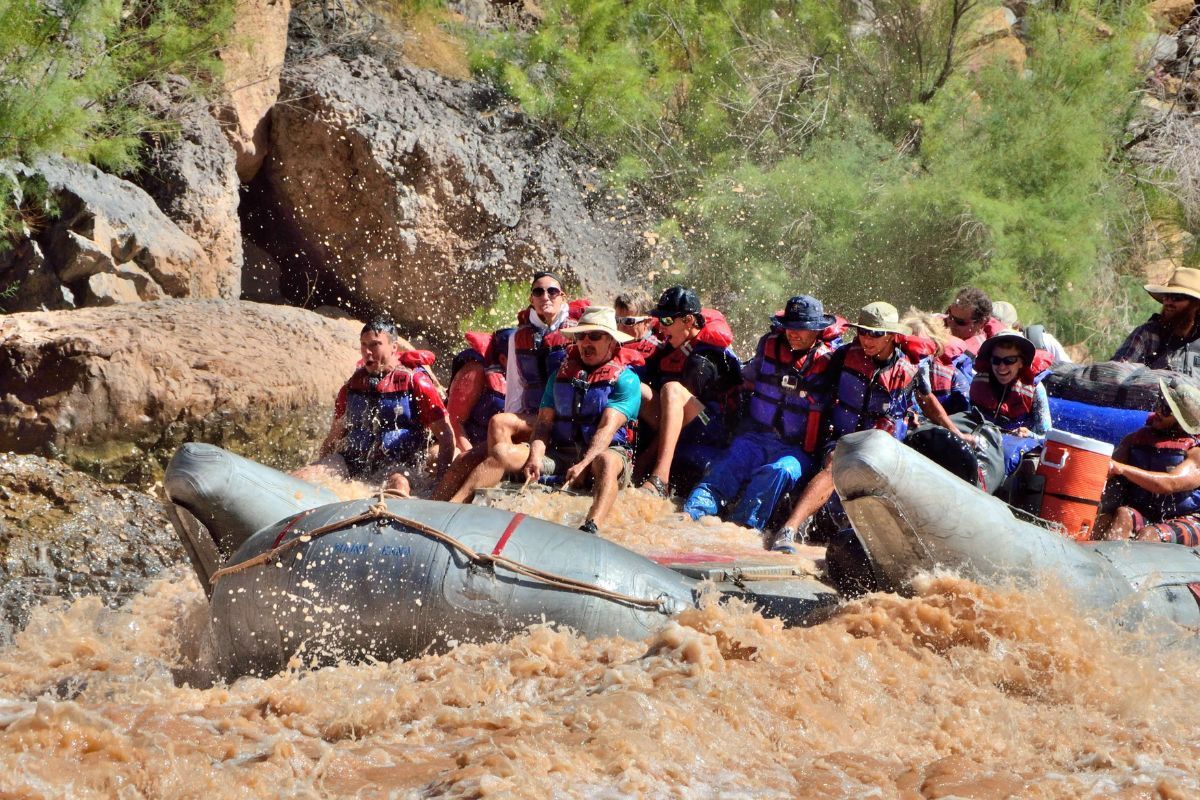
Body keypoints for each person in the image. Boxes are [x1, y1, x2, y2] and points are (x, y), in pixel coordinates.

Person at [448, 307, 642, 534]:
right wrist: (536, 456)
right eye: (581, 336)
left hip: (606, 452)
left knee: (605, 462)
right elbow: (543, 424)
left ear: (611, 342)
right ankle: (453, 508)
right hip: (561, 452)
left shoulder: (626, 381)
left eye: (595, 336)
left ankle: (591, 526)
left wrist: (583, 464)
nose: (586, 342)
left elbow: (606, 430)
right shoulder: (559, 375)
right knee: (501, 453)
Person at [766, 302, 925, 551]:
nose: (867, 339)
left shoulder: (909, 372)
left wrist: (955, 431)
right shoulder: (844, 356)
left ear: (892, 336)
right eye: (862, 332)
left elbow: (926, 402)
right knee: (835, 466)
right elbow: (819, 387)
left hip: (879, 449)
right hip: (841, 438)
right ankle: (789, 530)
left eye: (875, 333)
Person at [683, 296, 841, 539]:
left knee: (779, 471)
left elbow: (839, 406)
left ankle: (739, 531)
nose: (794, 333)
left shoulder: (829, 362)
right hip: (757, 436)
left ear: (817, 330)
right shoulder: (768, 345)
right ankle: (690, 514)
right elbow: (749, 376)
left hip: (796, 449)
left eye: (802, 328)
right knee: (728, 464)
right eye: (790, 326)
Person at [433, 272, 579, 500]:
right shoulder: (518, 336)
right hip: (531, 418)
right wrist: (518, 432)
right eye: (538, 292)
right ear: (531, 299)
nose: (545, 296)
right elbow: (516, 387)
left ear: (563, 296)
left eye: (552, 291)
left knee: (499, 423)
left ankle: (481, 491)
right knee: (466, 459)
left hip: (562, 419)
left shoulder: (578, 332)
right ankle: (431, 507)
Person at [300, 317, 454, 495]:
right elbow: (333, 437)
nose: (367, 351)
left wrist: (441, 484)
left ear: (394, 347)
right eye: (363, 345)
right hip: (354, 461)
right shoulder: (352, 387)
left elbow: (446, 437)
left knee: (398, 484)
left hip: (402, 465)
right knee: (305, 474)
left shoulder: (416, 383)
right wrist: (322, 469)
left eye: (375, 344)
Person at [637, 286, 742, 496]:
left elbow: (679, 413)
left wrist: (643, 462)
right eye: (660, 320)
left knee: (673, 390)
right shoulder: (674, 344)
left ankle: (659, 479)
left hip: (712, 426)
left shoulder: (703, 361)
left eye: (667, 321)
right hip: (689, 419)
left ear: (688, 321)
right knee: (636, 387)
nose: (662, 327)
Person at [1098, 378, 1200, 544]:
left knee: (1149, 534)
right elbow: (1105, 471)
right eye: (1159, 402)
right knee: (1123, 515)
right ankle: (1103, 565)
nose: (1158, 411)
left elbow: (1170, 484)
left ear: (1182, 421)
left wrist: (1122, 469)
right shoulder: (1133, 440)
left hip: (1187, 517)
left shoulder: (1196, 453)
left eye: (1167, 409)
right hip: (1146, 512)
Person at [970, 330, 1053, 475]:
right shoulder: (979, 380)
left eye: (1009, 361)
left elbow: (1045, 436)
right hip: (981, 436)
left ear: (1021, 362)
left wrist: (1030, 434)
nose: (1001, 367)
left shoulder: (1035, 390)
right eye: (996, 360)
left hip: (1011, 446)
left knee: (1008, 457)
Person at [1112, 268, 1200, 376]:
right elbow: (1114, 373)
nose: (1168, 302)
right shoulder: (1148, 334)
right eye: (1166, 296)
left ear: (1196, 305)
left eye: (1177, 297)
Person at [444, 328, 514, 454]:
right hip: (465, 446)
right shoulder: (475, 369)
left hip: (501, 449)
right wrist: (470, 456)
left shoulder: (530, 378)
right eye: (519, 357)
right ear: (503, 359)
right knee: (443, 456)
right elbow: (453, 421)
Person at [991, 300, 1072, 365]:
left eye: (1004, 332)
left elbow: (1068, 372)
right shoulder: (987, 347)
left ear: (1016, 327)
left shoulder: (1043, 341)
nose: (999, 336)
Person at [944, 286, 1005, 357]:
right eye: (949, 314)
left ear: (981, 323)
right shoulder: (934, 324)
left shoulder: (986, 354)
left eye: (959, 321)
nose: (950, 322)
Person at [614, 289, 661, 362]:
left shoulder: (658, 352)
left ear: (647, 322)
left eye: (628, 321)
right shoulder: (608, 342)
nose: (620, 327)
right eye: (616, 320)